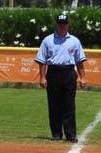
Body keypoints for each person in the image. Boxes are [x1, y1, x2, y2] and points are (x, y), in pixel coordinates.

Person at [35, 13, 86, 142]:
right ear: (56, 24)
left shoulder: (74, 41)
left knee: (69, 105)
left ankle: (71, 134)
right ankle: (56, 133)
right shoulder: (48, 40)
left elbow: (79, 61)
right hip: (53, 73)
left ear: (68, 24)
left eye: (65, 23)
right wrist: (42, 77)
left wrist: (83, 77)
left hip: (69, 72)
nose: (62, 26)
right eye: (60, 24)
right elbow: (42, 61)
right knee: (54, 104)